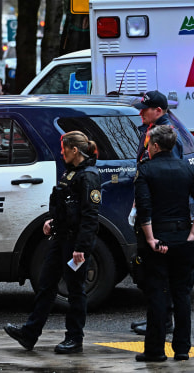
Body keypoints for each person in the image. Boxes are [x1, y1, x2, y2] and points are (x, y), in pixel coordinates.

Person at [4, 131, 101, 354]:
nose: (61, 152)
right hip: (61, 239)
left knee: (76, 291)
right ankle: (29, 334)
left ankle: (75, 338)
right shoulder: (72, 173)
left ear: (74, 150)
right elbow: (66, 206)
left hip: (75, 243)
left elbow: (90, 217)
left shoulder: (88, 176)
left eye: (63, 148)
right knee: (46, 285)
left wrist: (81, 249)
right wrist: (52, 221)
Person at [133, 125, 194, 362]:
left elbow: (144, 207)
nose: (147, 148)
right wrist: (191, 233)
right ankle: (182, 349)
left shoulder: (146, 170)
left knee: (157, 294)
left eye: (148, 144)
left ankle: (155, 350)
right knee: (182, 294)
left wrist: (149, 238)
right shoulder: (186, 169)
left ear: (155, 146)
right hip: (183, 238)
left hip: (158, 239)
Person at [130, 90, 181, 336]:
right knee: (153, 269)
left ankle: (163, 321)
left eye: (145, 108)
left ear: (158, 111)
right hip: (154, 209)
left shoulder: (167, 135)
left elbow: (171, 175)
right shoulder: (151, 131)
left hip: (163, 214)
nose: (140, 112)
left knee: (161, 269)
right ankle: (158, 319)